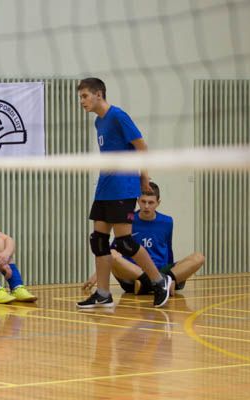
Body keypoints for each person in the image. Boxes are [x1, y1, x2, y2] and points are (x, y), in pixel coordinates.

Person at [75, 77, 172, 310]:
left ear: (99, 94)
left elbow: (142, 147)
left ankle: (159, 281)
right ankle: (103, 293)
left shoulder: (118, 116)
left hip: (123, 187)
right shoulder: (99, 122)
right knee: (98, 241)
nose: (82, 101)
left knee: (125, 243)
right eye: (80, 97)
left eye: (85, 96)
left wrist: (144, 178)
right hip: (105, 188)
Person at [82, 181, 205, 296]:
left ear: (158, 203)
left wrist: (174, 273)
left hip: (160, 270)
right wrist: (97, 276)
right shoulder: (128, 219)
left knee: (199, 257)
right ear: (138, 201)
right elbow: (111, 251)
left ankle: (151, 285)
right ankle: (161, 284)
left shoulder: (167, 221)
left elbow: (168, 249)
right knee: (113, 255)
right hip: (135, 273)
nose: (146, 206)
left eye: (150, 202)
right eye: (143, 201)